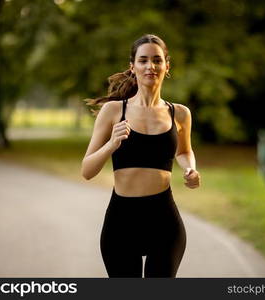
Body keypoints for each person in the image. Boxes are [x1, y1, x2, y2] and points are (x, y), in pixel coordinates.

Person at [81, 34, 200, 278]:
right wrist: (111, 144)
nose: (150, 66)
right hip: (121, 223)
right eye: (143, 60)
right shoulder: (113, 111)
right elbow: (87, 170)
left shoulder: (179, 114)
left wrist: (190, 169)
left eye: (157, 60)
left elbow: (184, 151)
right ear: (132, 67)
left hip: (164, 221)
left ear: (167, 66)